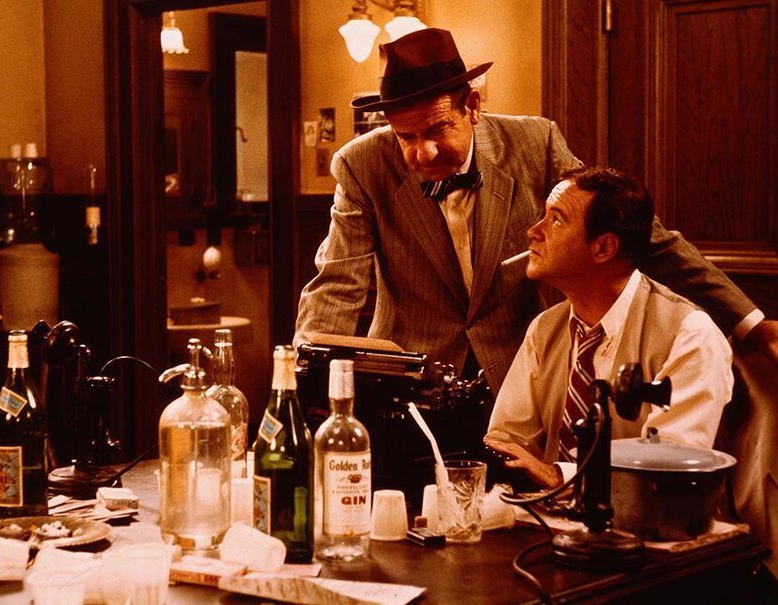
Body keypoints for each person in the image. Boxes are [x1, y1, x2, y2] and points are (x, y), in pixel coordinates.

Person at [294, 27, 776, 403]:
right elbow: (337, 283)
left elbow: (634, 233)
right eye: (406, 138)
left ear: (472, 107)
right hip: (410, 387)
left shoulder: (534, 143)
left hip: (519, 376)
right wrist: (302, 383)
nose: (423, 152)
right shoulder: (362, 164)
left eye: (437, 129)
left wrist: (750, 323)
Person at [484, 167, 733, 488]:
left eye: (556, 220)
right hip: (547, 514)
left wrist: (559, 475)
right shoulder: (544, 328)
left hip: (655, 519)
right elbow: (507, 440)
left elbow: (669, 471)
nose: (534, 231)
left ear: (603, 248)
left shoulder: (690, 334)